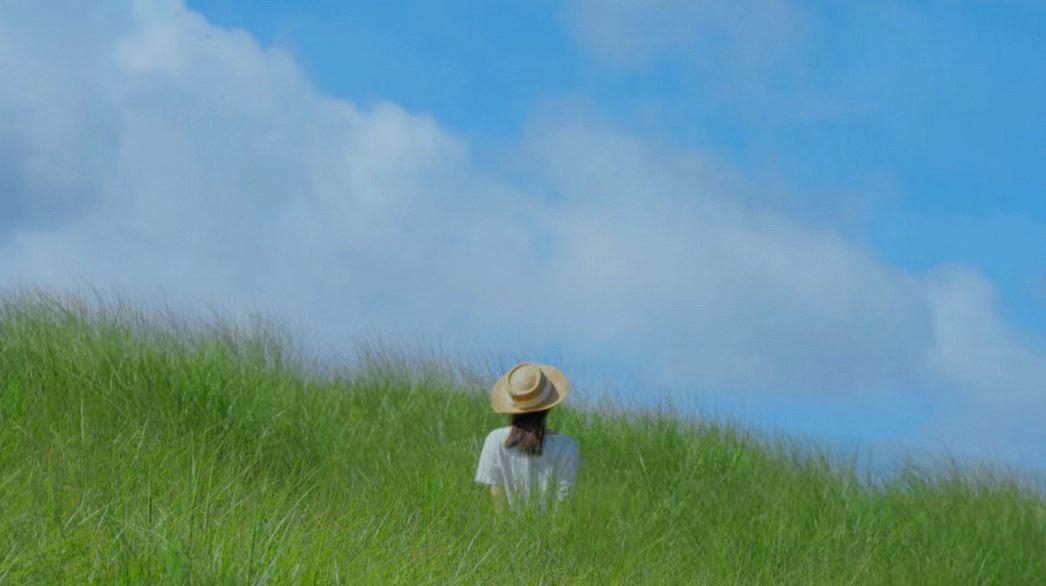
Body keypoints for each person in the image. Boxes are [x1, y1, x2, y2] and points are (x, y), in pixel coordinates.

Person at [474, 362, 580, 512]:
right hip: (552, 533)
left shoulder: (495, 440)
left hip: (506, 533)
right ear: (548, 407)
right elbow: (564, 502)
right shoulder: (567, 446)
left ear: (512, 405)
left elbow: (497, 497)